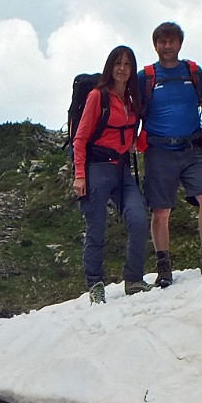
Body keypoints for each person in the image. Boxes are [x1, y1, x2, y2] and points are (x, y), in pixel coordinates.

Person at [140, 22, 202, 286]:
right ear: (155, 45)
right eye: (162, 42)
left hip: (192, 147)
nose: (167, 46)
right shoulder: (146, 77)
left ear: (179, 43)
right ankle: (163, 264)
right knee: (161, 210)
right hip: (159, 150)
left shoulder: (192, 70)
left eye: (172, 41)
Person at [72, 45, 150, 304]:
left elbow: (132, 136)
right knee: (96, 228)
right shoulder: (98, 96)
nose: (122, 69)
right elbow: (80, 138)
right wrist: (80, 175)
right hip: (96, 168)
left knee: (138, 217)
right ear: (110, 66)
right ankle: (95, 284)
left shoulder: (131, 101)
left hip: (121, 169)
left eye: (128, 64)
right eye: (118, 63)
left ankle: (134, 279)